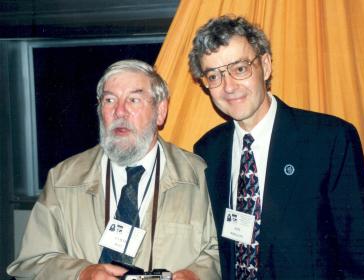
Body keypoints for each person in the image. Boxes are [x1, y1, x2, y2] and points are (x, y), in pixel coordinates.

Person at [189, 15, 364, 279]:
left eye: (239, 69)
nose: (228, 87)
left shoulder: (328, 140)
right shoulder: (208, 150)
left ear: (266, 65)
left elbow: (362, 257)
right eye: (214, 75)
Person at [7, 60, 220, 280]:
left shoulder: (200, 176)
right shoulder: (63, 179)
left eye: (134, 100)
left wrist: (196, 275)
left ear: (160, 111)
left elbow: (222, 253)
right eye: (109, 100)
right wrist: (81, 274)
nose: (120, 111)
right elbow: (30, 264)